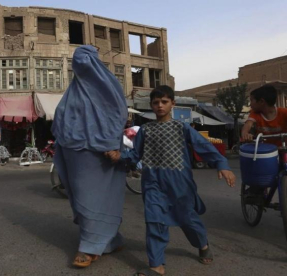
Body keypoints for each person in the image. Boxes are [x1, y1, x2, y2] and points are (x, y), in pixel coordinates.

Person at [106, 85, 236, 276]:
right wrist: (120, 157)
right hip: (152, 183)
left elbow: (203, 146)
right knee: (154, 221)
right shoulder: (145, 130)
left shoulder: (181, 127)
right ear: (151, 105)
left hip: (180, 183)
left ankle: (202, 244)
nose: (160, 106)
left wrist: (222, 164)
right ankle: (156, 266)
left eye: (164, 102)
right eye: (156, 102)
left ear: (172, 104)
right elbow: (135, 155)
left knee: (188, 219)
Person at [51, 45, 128, 268]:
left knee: (92, 198)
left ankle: (88, 246)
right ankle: (111, 239)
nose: (82, 63)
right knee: (80, 196)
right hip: (74, 152)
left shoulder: (108, 85)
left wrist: (110, 144)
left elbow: (118, 114)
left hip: (100, 153)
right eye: (78, 60)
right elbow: (60, 120)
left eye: (86, 60)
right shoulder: (72, 91)